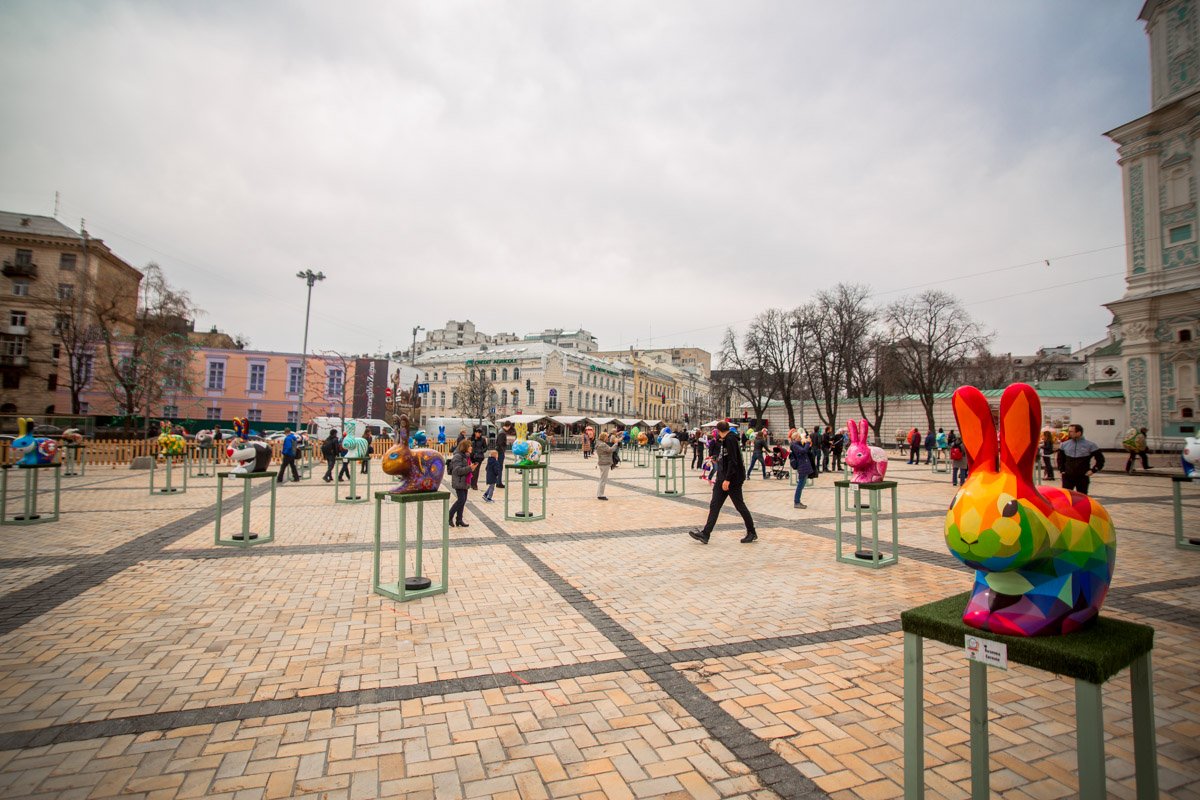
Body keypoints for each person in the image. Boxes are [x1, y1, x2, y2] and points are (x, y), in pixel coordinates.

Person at [688, 420, 757, 544]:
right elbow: (725, 458)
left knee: (739, 505)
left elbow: (733, 461)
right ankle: (705, 534)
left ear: (719, 431)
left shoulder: (730, 440)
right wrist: (717, 459)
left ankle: (752, 532)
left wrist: (727, 479)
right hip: (722, 477)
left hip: (732, 479)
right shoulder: (724, 440)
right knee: (715, 505)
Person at [1057, 424, 1105, 495]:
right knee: (1067, 496)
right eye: (1068, 431)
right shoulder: (1064, 445)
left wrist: (1093, 470)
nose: (1069, 433)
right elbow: (1060, 459)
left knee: (1082, 497)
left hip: (1082, 476)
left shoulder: (1090, 445)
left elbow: (1100, 459)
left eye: (1071, 431)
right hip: (1068, 476)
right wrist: (1062, 470)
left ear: (1079, 433)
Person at [447, 440, 471, 527]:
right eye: (469, 446)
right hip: (459, 481)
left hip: (464, 481)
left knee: (463, 501)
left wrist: (471, 467)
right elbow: (458, 471)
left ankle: (459, 520)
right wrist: (470, 468)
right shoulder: (458, 456)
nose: (471, 447)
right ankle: (449, 516)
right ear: (465, 447)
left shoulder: (466, 456)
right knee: (461, 500)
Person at [789, 431, 814, 509]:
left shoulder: (798, 444)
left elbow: (805, 450)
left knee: (802, 484)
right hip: (802, 466)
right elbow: (803, 451)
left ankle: (797, 501)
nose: (800, 438)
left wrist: (807, 443)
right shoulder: (794, 445)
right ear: (795, 438)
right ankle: (797, 502)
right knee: (800, 484)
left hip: (804, 465)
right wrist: (807, 443)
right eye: (799, 437)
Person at [595, 432, 615, 500]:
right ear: (603, 437)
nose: (607, 438)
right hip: (604, 463)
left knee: (602, 479)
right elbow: (610, 450)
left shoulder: (599, 443)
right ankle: (600, 495)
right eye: (606, 437)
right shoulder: (602, 444)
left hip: (602, 462)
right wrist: (616, 444)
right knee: (603, 480)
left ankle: (599, 493)